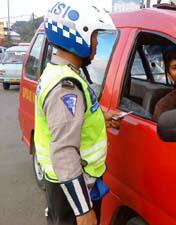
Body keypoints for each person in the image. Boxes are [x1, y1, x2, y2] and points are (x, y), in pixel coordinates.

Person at [34, 1, 119, 225]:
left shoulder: (57, 71)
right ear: (76, 37)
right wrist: (82, 210)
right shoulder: (65, 86)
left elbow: (69, 121)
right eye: (94, 36)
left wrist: (101, 118)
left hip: (66, 186)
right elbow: (64, 151)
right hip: (72, 189)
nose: (97, 43)